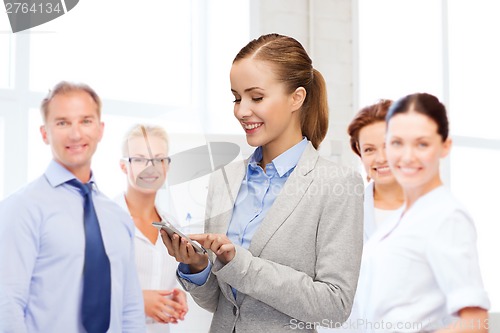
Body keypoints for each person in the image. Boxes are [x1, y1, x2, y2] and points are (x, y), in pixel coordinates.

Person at [161, 33, 364, 333]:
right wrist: (198, 267)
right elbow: (221, 304)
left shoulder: (338, 184)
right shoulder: (224, 180)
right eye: (236, 97)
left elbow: (335, 307)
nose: (242, 110)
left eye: (256, 97)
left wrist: (238, 263)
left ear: (297, 98)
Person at [0, 81, 145, 332]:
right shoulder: (21, 208)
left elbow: (130, 308)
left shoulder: (117, 217)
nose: (76, 134)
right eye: (62, 122)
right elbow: (7, 303)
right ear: (45, 133)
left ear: (100, 130)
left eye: (85, 121)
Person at [355, 93, 490, 332]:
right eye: (397, 143)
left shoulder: (447, 216)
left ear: (445, 146)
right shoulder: (402, 218)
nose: (407, 156)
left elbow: (476, 322)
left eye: (422, 144)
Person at [116, 124, 188, 332]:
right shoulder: (103, 220)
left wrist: (175, 294)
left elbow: (161, 278)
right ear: (124, 166)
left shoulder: (172, 224)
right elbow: (81, 289)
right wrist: (136, 301)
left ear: (167, 165)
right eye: (139, 159)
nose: (151, 167)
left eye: (158, 159)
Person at [347, 99, 404, 242]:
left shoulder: (436, 208)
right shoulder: (346, 211)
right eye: (369, 149)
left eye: (388, 146)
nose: (381, 158)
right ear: (360, 153)